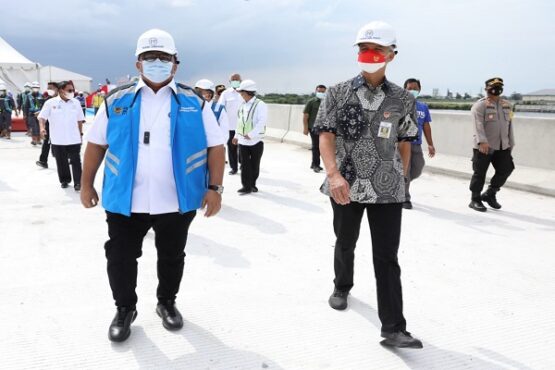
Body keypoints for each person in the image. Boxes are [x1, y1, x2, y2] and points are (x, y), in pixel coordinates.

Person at [80, 28, 225, 343]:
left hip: (176, 199)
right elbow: (95, 145)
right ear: (138, 63)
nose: (156, 62)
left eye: (163, 57)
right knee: (119, 256)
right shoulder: (116, 101)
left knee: (172, 255)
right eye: (149, 57)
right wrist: (86, 185)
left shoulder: (194, 102)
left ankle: (166, 302)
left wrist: (215, 187)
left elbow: (216, 146)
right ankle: (124, 309)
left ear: (175, 63)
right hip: (124, 199)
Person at [314, 21, 422, 349]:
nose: (369, 54)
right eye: (363, 48)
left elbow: (405, 139)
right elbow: (325, 135)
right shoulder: (337, 92)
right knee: (345, 241)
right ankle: (342, 286)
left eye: (376, 49)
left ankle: (393, 327)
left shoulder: (403, 98)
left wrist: (401, 178)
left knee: (387, 256)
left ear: (392, 54)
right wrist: (333, 175)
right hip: (345, 184)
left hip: (387, 188)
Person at [468, 77, 515, 212]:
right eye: (494, 86)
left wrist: (511, 142)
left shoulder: (507, 105)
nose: (497, 89)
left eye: (500, 86)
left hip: (503, 146)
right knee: (479, 173)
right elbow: (478, 125)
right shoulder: (480, 105)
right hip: (485, 146)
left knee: (507, 169)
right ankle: (475, 199)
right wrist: (482, 141)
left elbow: (510, 125)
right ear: (486, 88)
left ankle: (490, 194)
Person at [38, 81, 84, 190]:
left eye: (72, 90)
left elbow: (80, 120)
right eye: (69, 90)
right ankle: (64, 180)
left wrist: (80, 133)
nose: (72, 92)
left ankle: (78, 182)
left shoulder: (76, 103)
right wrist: (42, 128)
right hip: (58, 139)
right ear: (61, 90)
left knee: (76, 161)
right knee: (61, 161)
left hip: (74, 138)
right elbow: (42, 117)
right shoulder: (50, 103)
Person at [402, 78, 435, 209]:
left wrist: (430, 144)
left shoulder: (423, 107)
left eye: (415, 88)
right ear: (404, 89)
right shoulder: (398, 105)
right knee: (405, 170)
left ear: (419, 90)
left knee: (418, 168)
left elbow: (426, 126)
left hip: (417, 144)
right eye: (409, 88)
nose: (412, 91)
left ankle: (399, 185)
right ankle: (405, 198)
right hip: (402, 144)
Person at [231, 80, 267, 195]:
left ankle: (252, 185)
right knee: (245, 165)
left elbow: (262, 121)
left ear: (247, 92)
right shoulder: (242, 106)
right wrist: (236, 135)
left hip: (256, 141)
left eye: (241, 92)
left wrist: (251, 134)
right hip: (242, 141)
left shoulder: (260, 104)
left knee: (254, 165)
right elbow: (239, 122)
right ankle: (246, 186)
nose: (240, 95)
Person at [217, 73, 244, 175]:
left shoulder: (244, 93)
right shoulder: (226, 93)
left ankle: (243, 164)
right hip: (230, 126)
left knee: (243, 148)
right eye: (233, 79)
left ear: (241, 81)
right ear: (230, 81)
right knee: (231, 148)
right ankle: (234, 168)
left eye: (237, 79)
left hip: (243, 126)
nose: (235, 81)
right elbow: (220, 107)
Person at [303, 85, 326, 172]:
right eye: (319, 91)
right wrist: (305, 128)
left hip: (324, 128)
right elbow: (305, 116)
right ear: (316, 91)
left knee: (321, 147)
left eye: (323, 92)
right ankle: (316, 165)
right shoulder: (311, 102)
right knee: (316, 147)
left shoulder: (327, 102)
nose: (321, 93)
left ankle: (314, 164)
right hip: (313, 127)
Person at [36, 82, 59, 169]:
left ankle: (65, 159)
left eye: (51, 88)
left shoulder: (62, 99)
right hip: (48, 125)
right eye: (48, 88)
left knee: (60, 143)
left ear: (57, 89)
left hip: (60, 126)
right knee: (46, 142)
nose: (49, 90)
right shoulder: (47, 100)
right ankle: (43, 161)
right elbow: (44, 111)